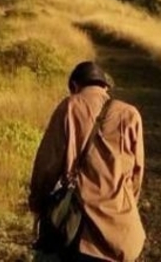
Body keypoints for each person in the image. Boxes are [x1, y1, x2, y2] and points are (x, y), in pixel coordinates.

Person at [29, 61, 145, 262]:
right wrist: (124, 204)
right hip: (121, 232)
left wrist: (38, 204)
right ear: (105, 87)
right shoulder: (130, 114)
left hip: (79, 230)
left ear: (74, 86)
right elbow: (137, 173)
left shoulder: (70, 106)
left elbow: (47, 166)